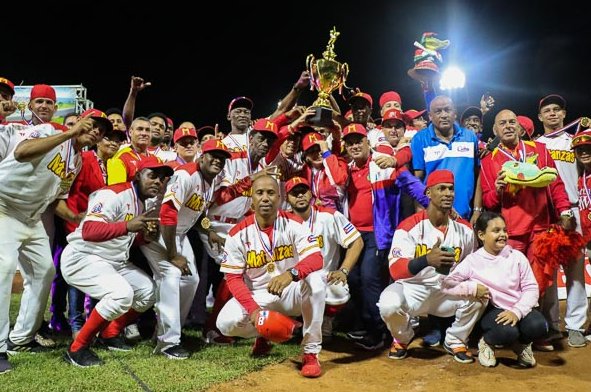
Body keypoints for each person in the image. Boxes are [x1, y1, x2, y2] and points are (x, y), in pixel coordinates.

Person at [0, 110, 110, 372]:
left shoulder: (77, 161)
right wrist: (69, 133)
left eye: (101, 130)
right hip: (4, 206)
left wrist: (78, 217)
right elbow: (21, 152)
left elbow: (57, 200)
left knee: (44, 272)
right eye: (93, 124)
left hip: (31, 217)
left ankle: (21, 338)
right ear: (81, 122)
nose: (96, 132)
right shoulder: (51, 131)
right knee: (3, 270)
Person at [61, 157, 173, 367]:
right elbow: (88, 230)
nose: (157, 181)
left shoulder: (144, 201)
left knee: (148, 292)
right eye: (152, 175)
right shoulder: (112, 194)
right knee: (121, 294)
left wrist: (146, 236)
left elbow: (129, 236)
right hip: (83, 256)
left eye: (161, 178)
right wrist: (128, 226)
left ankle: (110, 332)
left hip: (112, 261)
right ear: (138, 175)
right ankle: (77, 349)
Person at [480, 109, 574, 351]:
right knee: (509, 283)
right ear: (495, 130)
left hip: (540, 227)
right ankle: (510, 329)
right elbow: (489, 201)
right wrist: (498, 190)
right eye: (503, 123)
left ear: (519, 127)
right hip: (509, 232)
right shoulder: (488, 161)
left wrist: (564, 211)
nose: (509, 126)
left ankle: (535, 331)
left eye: (512, 122)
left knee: (540, 282)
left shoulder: (539, 151)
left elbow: (556, 185)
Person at [216, 176, 325, 378]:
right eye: (260, 193)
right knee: (225, 324)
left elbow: (316, 258)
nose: (265, 198)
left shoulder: (295, 224)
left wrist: (291, 274)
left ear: (280, 198)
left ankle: (310, 351)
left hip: (291, 291)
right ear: (252, 200)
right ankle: (265, 333)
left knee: (317, 281)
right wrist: (254, 311)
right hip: (259, 295)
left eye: (271, 193)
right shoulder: (237, 234)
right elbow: (233, 279)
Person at [377, 170, 483, 363]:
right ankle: (402, 338)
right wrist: (426, 260)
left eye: (451, 189)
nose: (447, 193)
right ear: (428, 193)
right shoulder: (408, 226)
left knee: (480, 295)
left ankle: (456, 339)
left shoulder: (465, 230)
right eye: (441, 189)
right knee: (388, 304)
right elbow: (396, 270)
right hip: (414, 290)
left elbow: (472, 268)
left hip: (447, 291)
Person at [141, 140, 233, 359]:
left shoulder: (208, 181)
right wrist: (173, 255)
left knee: (191, 280)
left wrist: (208, 230)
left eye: (222, 158)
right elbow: (169, 212)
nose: (217, 160)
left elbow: (197, 212)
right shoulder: (186, 175)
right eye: (213, 155)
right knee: (171, 276)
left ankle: (172, 330)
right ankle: (167, 343)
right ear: (202, 156)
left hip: (177, 233)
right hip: (156, 229)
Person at [344, 123, 429, 350]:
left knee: (370, 278)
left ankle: (379, 332)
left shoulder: (384, 162)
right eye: (349, 143)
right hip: (353, 235)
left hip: (377, 233)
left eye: (358, 141)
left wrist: (434, 205)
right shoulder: (347, 170)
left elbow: (411, 185)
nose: (354, 146)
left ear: (367, 142)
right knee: (353, 279)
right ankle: (365, 324)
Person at [442, 211, 547, 368]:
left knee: (539, 326)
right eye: (496, 231)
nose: (503, 234)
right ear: (482, 235)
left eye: (504, 230)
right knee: (507, 332)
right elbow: (447, 284)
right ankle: (486, 343)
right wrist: (471, 288)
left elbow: (531, 288)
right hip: (493, 310)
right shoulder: (472, 260)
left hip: (517, 308)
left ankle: (521, 345)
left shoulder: (517, 256)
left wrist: (517, 311)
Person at [535, 95, 588, 349]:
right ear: (540, 117)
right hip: (547, 214)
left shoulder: (575, 142)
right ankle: (551, 325)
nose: (553, 114)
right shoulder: (534, 145)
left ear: (565, 114)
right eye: (547, 110)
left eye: (557, 109)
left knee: (575, 271)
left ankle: (576, 325)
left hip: (575, 211)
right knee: (549, 272)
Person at [285, 176, 364, 341]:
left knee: (339, 291)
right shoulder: (282, 222)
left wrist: (343, 270)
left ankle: (326, 320)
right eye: (294, 193)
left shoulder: (329, 216)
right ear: (287, 198)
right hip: (293, 278)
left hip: (323, 278)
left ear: (311, 194)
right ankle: (290, 324)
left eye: (303, 191)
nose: (300, 196)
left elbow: (357, 241)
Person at [411, 95, 480, 220]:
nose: (443, 115)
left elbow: (478, 175)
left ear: (455, 113)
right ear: (430, 116)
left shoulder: (470, 138)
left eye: (447, 110)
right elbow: (418, 181)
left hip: (465, 216)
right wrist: (420, 215)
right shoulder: (420, 139)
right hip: (433, 217)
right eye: (438, 111)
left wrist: (477, 210)